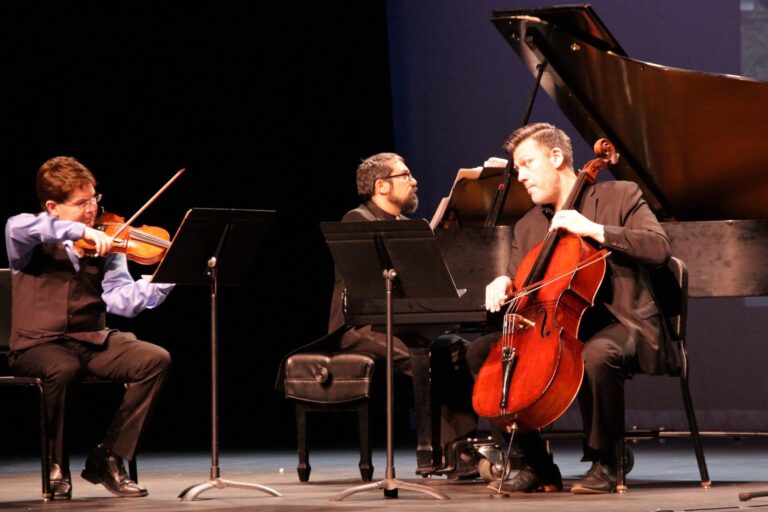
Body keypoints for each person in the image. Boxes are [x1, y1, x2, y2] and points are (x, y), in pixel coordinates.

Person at [466, 123, 673, 494]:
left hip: (623, 322)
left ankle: (606, 461)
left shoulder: (619, 196)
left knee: (596, 352)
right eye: (519, 168)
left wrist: (595, 229)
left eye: (527, 164)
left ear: (557, 157)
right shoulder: (529, 225)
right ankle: (537, 465)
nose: (522, 176)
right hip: (555, 325)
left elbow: (658, 249)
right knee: (483, 353)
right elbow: (525, 282)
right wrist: (503, 282)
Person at [5, 156, 174, 499]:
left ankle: (109, 456)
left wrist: (163, 280)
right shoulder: (27, 238)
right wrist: (81, 231)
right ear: (53, 206)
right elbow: (18, 225)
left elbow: (119, 299)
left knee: (154, 359)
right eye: (81, 203)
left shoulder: (109, 241)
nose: (92, 209)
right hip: (37, 344)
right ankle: (56, 465)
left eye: (94, 199)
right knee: (63, 368)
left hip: (90, 339)